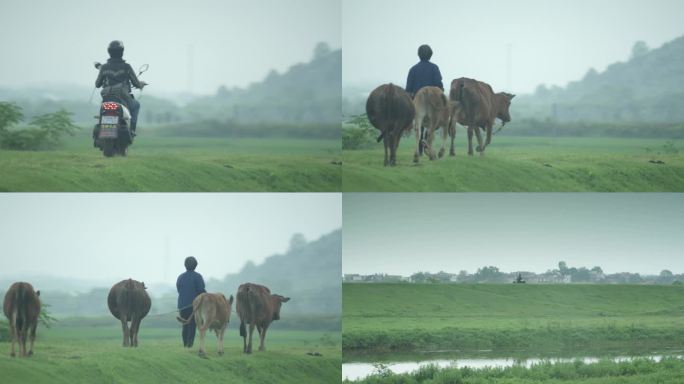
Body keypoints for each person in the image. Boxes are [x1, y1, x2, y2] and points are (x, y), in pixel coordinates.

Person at [95, 40, 147, 135]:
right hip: (123, 97)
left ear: (109, 52)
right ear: (122, 52)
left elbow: (97, 84)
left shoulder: (104, 67)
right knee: (136, 105)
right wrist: (141, 84)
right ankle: (132, 130)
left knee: (103, 109)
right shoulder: (126, 67)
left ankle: (101, 126)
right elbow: (135, 83)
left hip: (107, 97)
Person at [176, 256, 206, 348]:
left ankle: (185, 345)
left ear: (185, 265)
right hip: (194, 306)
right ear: (196, 265)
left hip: (182, 306)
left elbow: (178, 289)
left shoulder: (180, 277)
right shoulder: (198, 277)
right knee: (192, 325)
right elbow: (201, 290)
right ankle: (189, 346)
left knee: (185, 325)